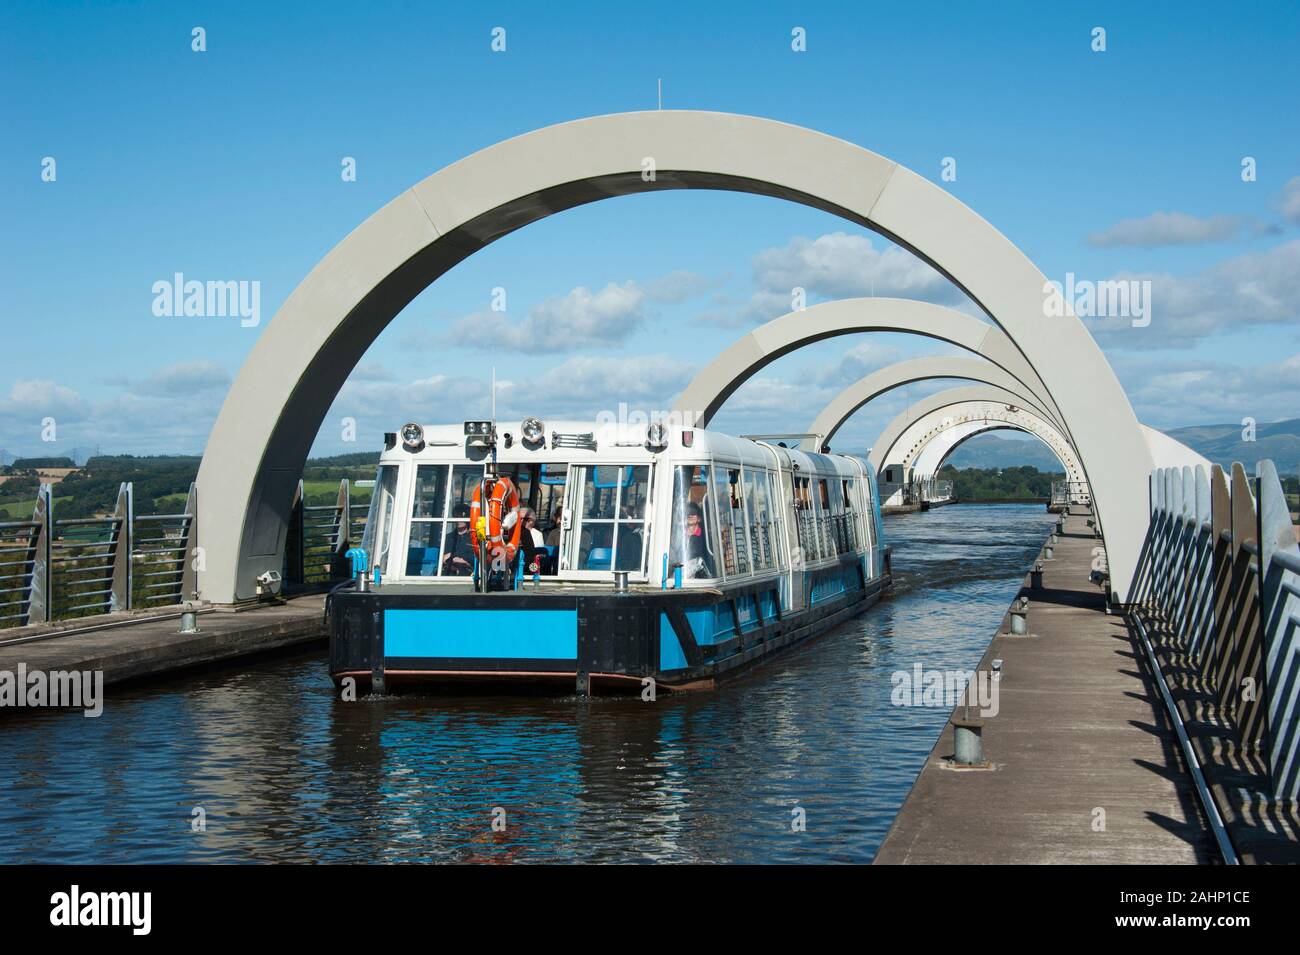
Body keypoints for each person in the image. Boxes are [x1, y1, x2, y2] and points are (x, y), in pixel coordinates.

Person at [680, 501, 715, 578]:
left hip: (699, 578)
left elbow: (709, 562)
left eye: (693, 513)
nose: (690, 515)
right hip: (681, 575)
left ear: (699, 518)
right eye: (688, 513)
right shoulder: (680, 535)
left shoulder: (705, 537)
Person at [441, 503, 475, 576]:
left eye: (462, 517)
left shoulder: (473, 539)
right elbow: (440, 558)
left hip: (468, 573)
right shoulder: (447, 538)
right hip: (448, 573)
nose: (459, 520)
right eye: (457, 517)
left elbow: (475, 558)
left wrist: (451, 555)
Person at [516, 508, 549, 575]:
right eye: (519, 519)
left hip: (529, 567)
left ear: (532, 521)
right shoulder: (514, 533)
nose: (521, 521)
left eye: (525, 519)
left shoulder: (537, 534)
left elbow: (536, 554)